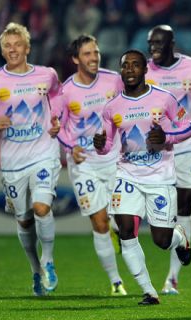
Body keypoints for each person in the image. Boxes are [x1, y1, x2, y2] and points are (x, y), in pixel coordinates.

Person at [93, 49, 191, 305]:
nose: (129, 70)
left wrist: (168, 138)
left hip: (160, 178)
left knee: (162, 241)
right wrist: (99, 145)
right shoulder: (111, 107)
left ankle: (180, 238)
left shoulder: (165, 99)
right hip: (127, 176)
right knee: (126, 231)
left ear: (145, 70)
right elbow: (106, 146)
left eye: (135, 65)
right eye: (125, 65)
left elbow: (189, 127)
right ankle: (149, 291)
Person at [0, 22, 62, 296]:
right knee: (24, 220)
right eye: (7, 46)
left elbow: (58, 96)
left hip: (43, 153)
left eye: (17, 45)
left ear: (27, 47)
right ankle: (35, 269)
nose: (12, 50)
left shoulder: (46, 75)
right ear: (2, 51)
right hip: (13, 161)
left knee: (42, 208)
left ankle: (48, 260)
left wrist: (57, 118)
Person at [53, 34, 127, 296]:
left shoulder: (113, 80)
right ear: (75, 59)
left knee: (123, 219)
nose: (94, 57)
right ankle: (116, 281)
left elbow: (129, 107)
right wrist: (70, 147)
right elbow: (56, 126)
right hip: (84, 165)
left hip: (115, 159)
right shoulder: (65, 91)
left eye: (95, 52)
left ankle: (118, 229)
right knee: (99, 223)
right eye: (87, 54)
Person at [146, 24, 191, 295]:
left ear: (172, 43)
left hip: (189, 148)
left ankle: (172, 278)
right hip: (156, 154)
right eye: (151, 43)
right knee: (163, 215)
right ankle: (179, 242)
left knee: (184, 208)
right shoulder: (144, 71)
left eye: (160, 43)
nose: (154, 49)